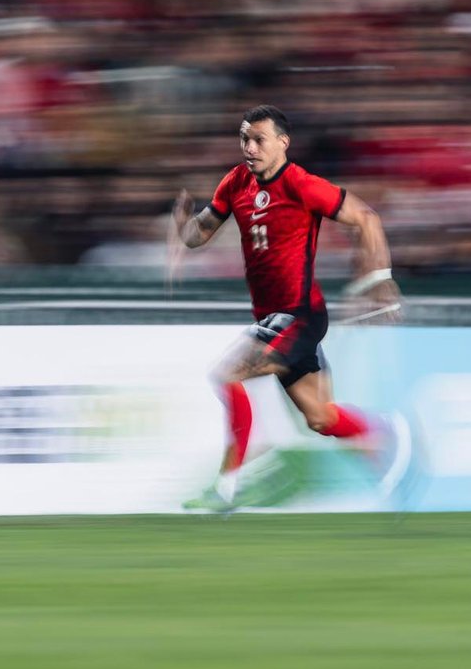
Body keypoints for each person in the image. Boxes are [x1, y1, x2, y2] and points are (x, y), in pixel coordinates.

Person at [172, 104, 410, 510]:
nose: (250, 147)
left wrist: (379, 279)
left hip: (298, 315)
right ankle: (385, 433)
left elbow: (366, 217)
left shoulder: (301, 184)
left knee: (227, 375)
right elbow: (200, 234)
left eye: (258, 139)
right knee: (319, 418)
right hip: (274, 318)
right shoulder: (235, 182)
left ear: (283, 143)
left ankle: (226, 488)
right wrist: (184, 227)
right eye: (244, 139)